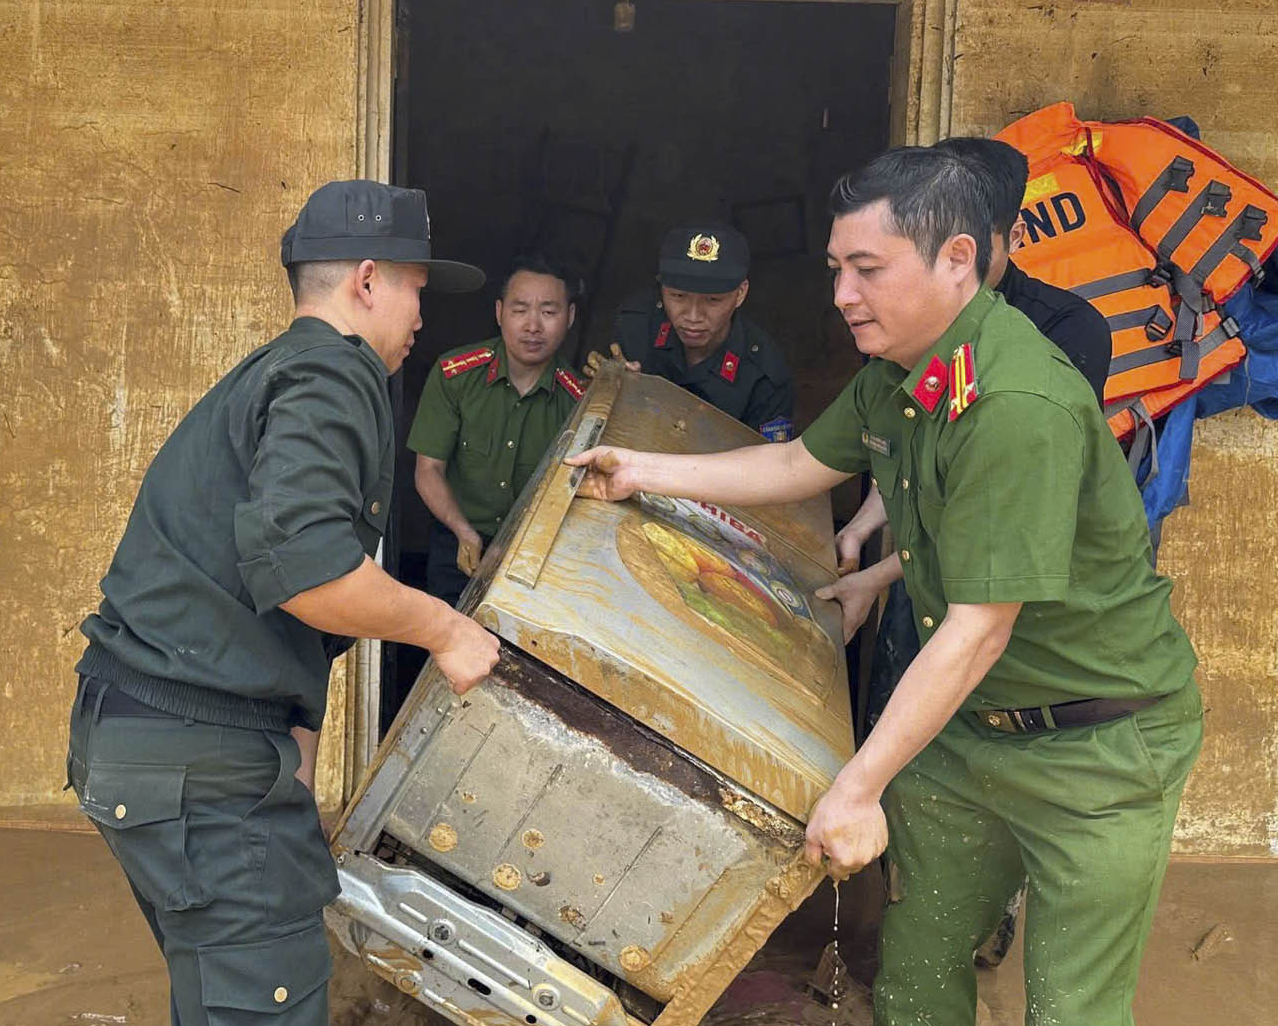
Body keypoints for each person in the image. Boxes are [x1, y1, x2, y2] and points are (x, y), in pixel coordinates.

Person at [568, 146, 1201, 1026]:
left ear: (958, 259)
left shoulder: (1019, 404)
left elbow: (978, 630)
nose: (842, 295)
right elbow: (803, 468)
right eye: (833, 269)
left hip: (1101, 745)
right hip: (971, 735)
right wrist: (643, 472)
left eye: (866, 269)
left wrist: (856, 785)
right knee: (916, 963)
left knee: (1071, 1019)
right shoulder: (902, 379)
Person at [67, 180, 501, 1026]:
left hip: (148, 740)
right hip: (200, 768)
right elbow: (306, 569)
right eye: (414, 290)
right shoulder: (333, 376)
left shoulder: (271, 376)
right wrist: (448, 629)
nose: (421, 315)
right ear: (364, 281)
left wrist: (298, 727)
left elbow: (245, 567)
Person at [837, 134, 1113, 970]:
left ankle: (975, 922)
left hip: (1008, 597)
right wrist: (867, 539)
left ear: (993, 241)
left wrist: (883, 565)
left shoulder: (1057, 341)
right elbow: (898, 446)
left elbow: (1003, 518)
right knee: (897, 734)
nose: (851, 292)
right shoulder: (915, 332)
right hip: (928, 577)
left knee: (989, 766)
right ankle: (903, 907)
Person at [409, 256, 586, 602]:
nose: (533, 326)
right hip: (457, 538)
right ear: (499, 312)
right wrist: (463, 531)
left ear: (570, 318)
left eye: (549, 312)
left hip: (537, 555)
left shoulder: (580, 401)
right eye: (520, 310)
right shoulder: (454, 374)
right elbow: (428, 470)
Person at [601, 222, 796, 440]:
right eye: (678, 296)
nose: (693, 316)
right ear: (661, 288)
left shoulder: (764, 374)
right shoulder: (636, 327)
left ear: (740, 294)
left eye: (713, 300)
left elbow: (769, 467)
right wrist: (619, 390)